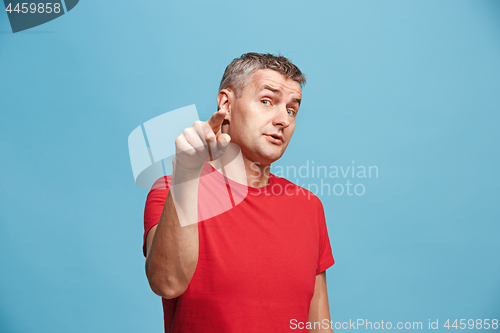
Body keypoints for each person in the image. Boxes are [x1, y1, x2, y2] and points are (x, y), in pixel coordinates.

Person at [142, 53, 335, 332]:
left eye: (292, 110)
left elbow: (320, 325)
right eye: (267, 101)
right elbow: (167, 283)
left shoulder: (309, 206)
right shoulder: (170, 190)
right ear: (226, 104)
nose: (283, 119)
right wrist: (187, 173)